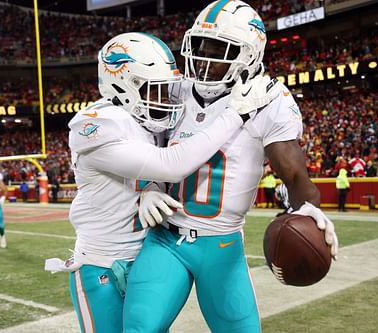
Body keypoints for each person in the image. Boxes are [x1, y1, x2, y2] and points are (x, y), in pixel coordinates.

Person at [123, 2, 339, 332]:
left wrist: (309, 208)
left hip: (221, 247)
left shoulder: (266, 98)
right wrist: (147, 187)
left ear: (249, 57)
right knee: (139, 328)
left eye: (219, 50)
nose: (205, 59)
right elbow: (140, 144)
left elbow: (294, 174)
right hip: (165, 239)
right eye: (200, 47)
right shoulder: (174, 90)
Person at [44, 32, 277, 333]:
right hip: (101, 264)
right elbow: (172, 164)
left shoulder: (146, 121)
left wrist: (151, 188)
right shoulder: (97, 124)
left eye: (165, 91)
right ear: (125, 85)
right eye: (155, 91)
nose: (164, 100)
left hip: (142, 260)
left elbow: (153, 167)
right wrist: (235, 114)